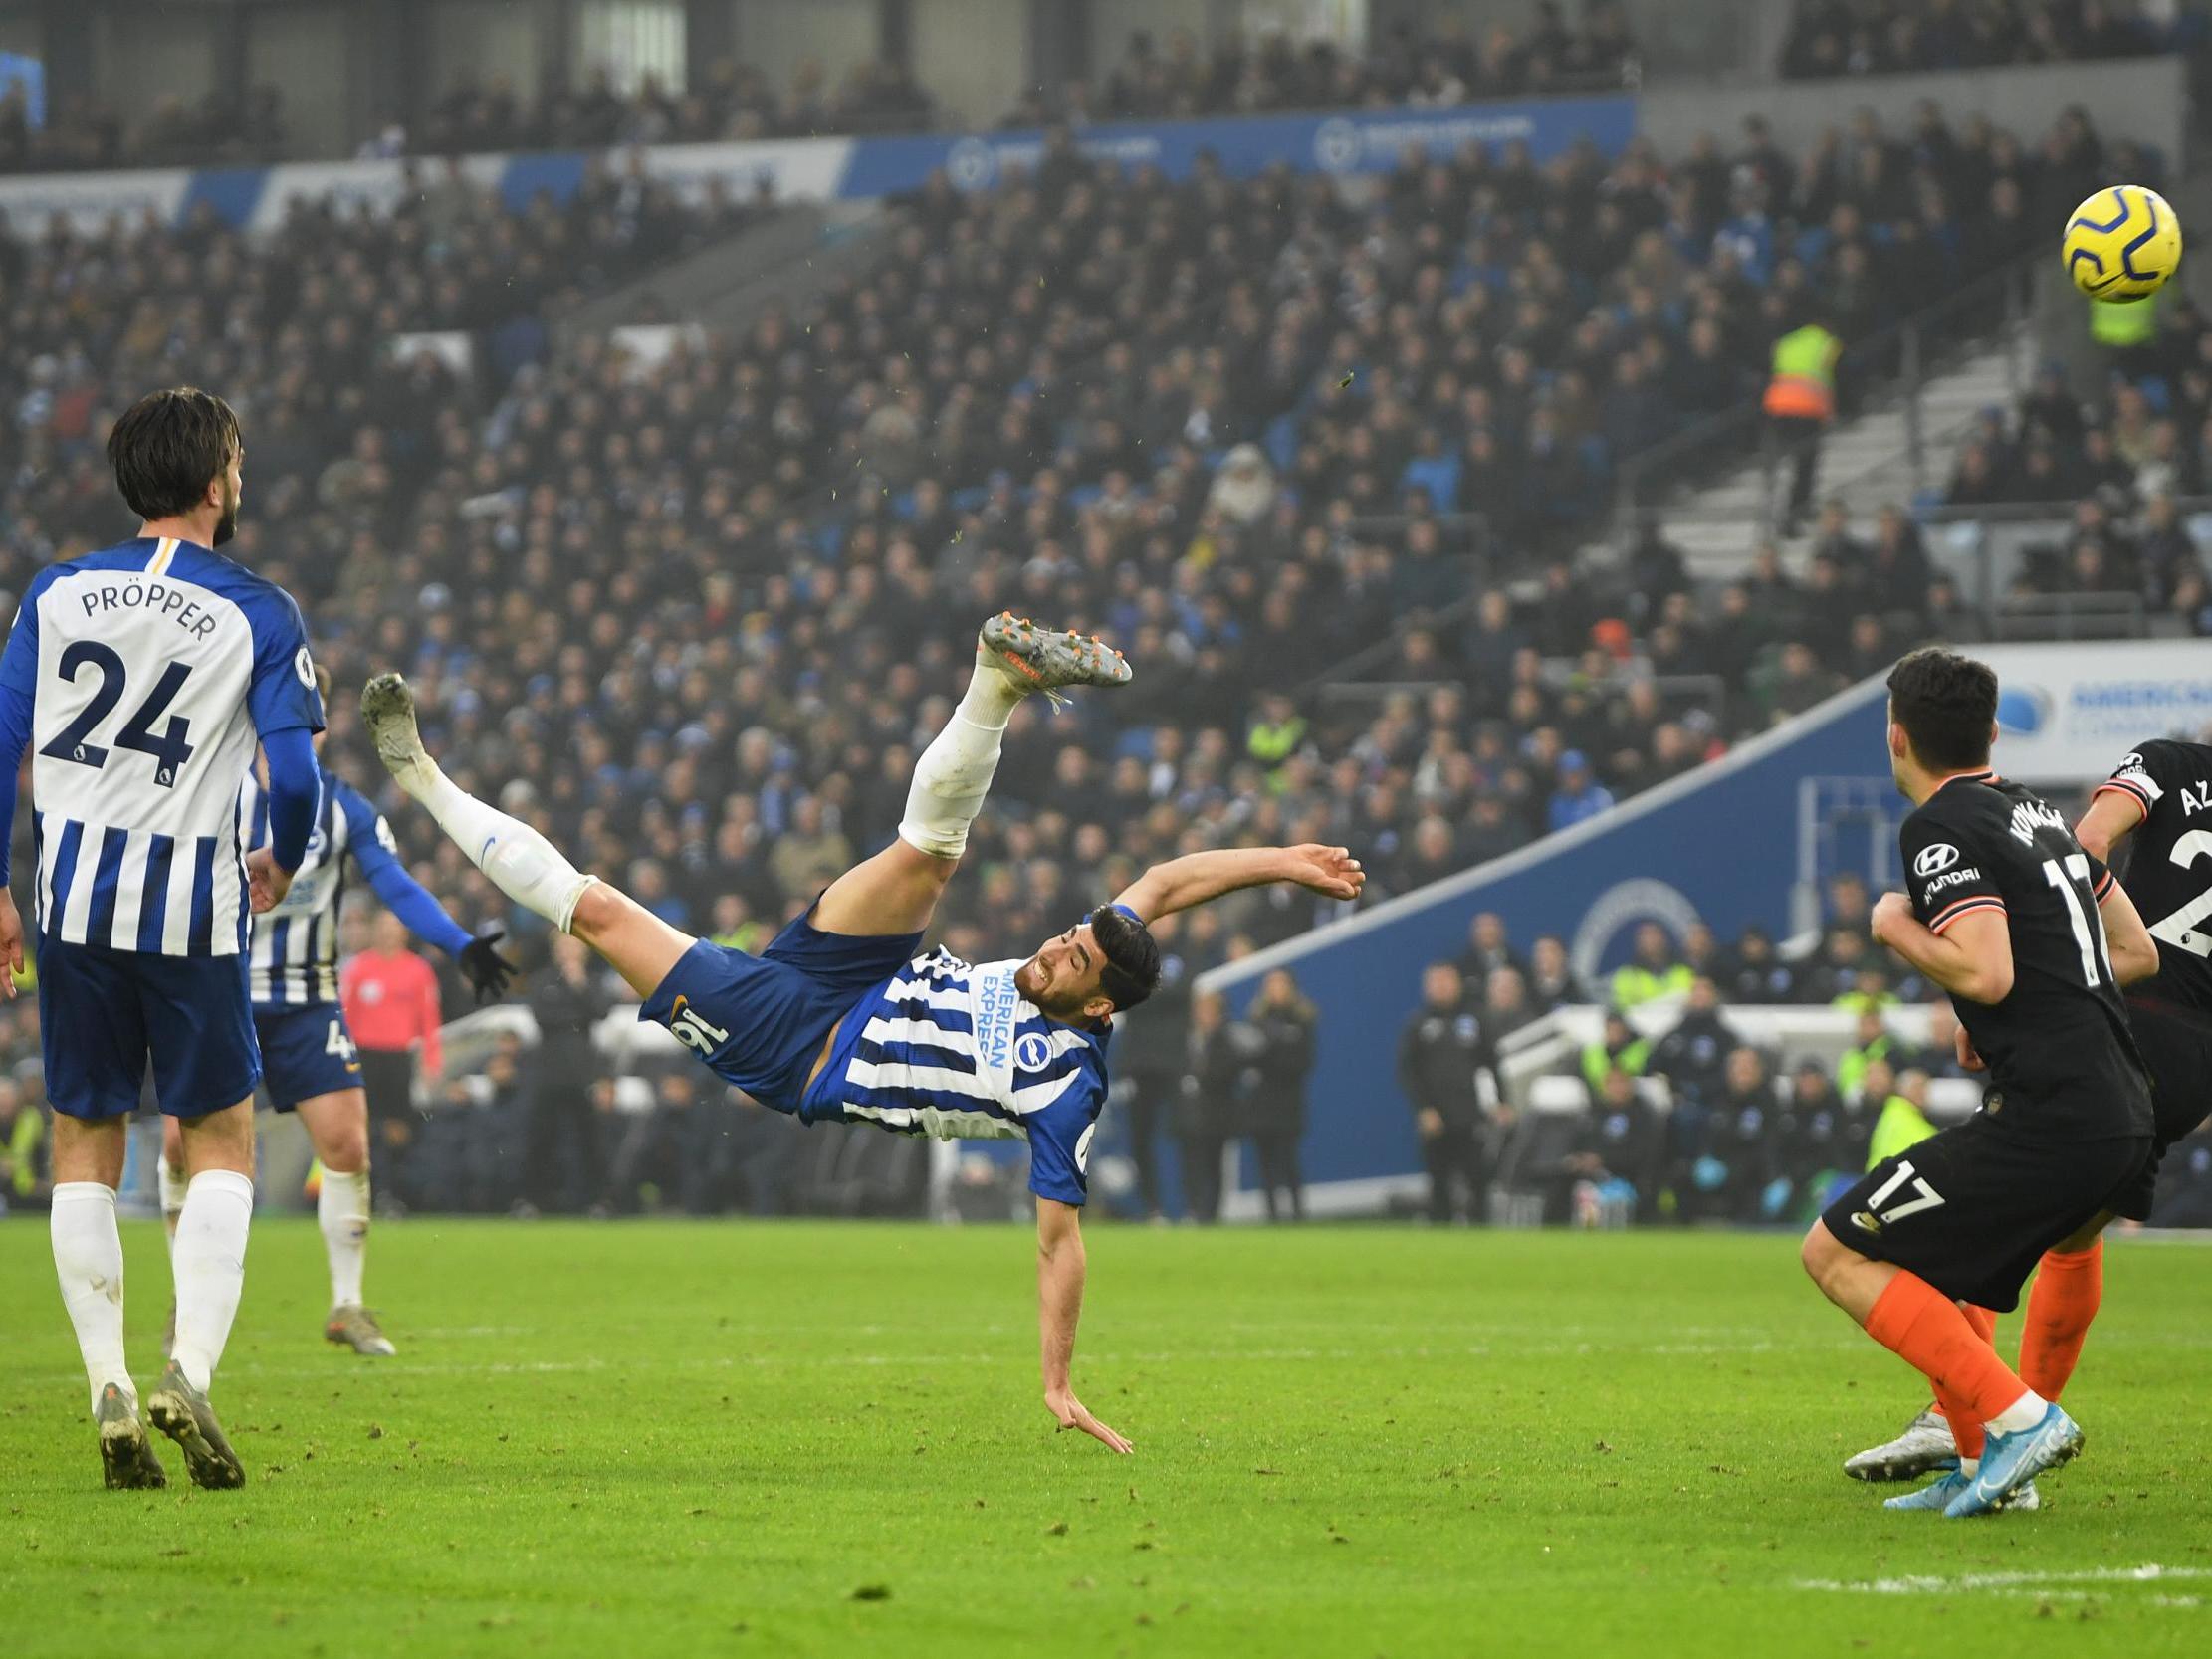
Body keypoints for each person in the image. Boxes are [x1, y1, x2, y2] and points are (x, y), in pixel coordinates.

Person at [360, 613, 1363, 1453]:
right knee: (927, 856)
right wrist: (1285, 858)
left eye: (1073, 962)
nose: (1055, 946)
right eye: (1068, 935)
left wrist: (1058, 1379)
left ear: (1097, 1009)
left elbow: (1060, 1242)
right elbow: (1166, 882)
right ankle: (995, 680)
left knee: (603, 913)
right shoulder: (1092, 952)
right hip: (861, 969)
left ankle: (420, 777)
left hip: (802, 1049)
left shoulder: (1065, 1087)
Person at [0, 387, 325, 1490]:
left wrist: (0, 892)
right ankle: (186, 1367)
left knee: (85, 1139)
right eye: (234, 459)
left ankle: (107, 1382)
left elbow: (2, 748)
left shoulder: (54, 594)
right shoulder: (257, 610)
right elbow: (298, 772)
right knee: (220, 1135)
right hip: (191, 911)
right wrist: (278, 851)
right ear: (213, 480)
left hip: (73, 906)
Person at [1801, 649, 2158, 1518]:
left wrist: (1895, 929)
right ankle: (1981, 1469)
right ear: (1992, 731)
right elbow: (2136, 953)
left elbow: (1988, 970)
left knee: (1836, 1248)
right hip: (2122, 1102)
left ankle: (2016, 1419)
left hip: (2057, 1115)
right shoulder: (2036, 814)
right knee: (1950, 1260)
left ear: (1897, 736)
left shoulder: (1939, 825)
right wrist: (2000, 1015)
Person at [1852, 733, 2212, 1484]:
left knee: (1978, 1200)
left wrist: (2057, 982)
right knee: (2075, 1228)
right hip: (2196, 1062)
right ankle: (2019, 1423)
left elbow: (2089, 840)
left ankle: (1982, 1419)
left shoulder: (2173, 764)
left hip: (2121, 1016)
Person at [155, 670, 513, 1358]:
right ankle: (184, 1296)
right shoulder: (208, 793)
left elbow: (395, 885)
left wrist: (458, 942)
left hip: (309, 1000)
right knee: (179, 1146)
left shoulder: (344, 808)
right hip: (219, 990)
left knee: (348, 1145)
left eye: (309, 718)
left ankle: (347, 1303)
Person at [340, 909, 449, 1167]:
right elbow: (345, 1018)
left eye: (394, 926)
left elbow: (429, 1019)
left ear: (404, 932)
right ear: (375, 931)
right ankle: (369, 1185)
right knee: (362, 1123)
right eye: (383, 926)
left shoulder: (418, 970)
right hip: (365, 1055)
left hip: (400, 1056)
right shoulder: (358, 969)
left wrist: (432, 1060)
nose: (388, 932)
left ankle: (396, 1191)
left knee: (398, 1126)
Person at [520, 931, 612, 1216]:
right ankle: (535, 1201)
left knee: (589, 1140)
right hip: (548, 1071)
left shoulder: (592, 981)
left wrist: (578, 986)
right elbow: (541, 1015)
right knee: (541, 1139)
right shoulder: (541, 980)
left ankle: (596, 1201)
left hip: (583, 1071)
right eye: (564, 946)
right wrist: (576, 1013)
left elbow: (601, 1011)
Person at [1397, 961, 1493, 1224]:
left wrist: (1499, 1102)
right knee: (1439, 1180)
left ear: (1458, 984)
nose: (1441, 988)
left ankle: (1482, 1234)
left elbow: (1491, 1064)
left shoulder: (1475, 1020)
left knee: (1478, 1178)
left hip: (1471, 1114)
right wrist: (1423, 1109)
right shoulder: (1418, 1025)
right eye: (1435, 982)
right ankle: (1442, 1234)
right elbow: (1408, 1072)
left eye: (1446, 981)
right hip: (1436, 1117)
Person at [1246, 968, 1315, 1222]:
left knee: (1288, 1158)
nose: (1276, 990)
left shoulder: (1302, 1020)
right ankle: (1272, 1213)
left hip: (1288, 1099)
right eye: (1271, 985)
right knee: (1265, 1159)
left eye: (1280, 985)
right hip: (1261, 1101)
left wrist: (1272, 1054)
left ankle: (1297, 1212)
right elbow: (1250, 1057)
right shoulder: (1257, 1019)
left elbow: (1302, 1060)